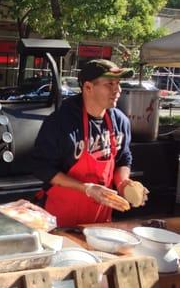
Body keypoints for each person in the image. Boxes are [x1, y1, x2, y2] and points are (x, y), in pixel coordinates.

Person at [32, 59, 148, 227]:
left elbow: (123, 158)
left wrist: (124, 184)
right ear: (88, 87)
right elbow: (42, 168)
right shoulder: (60, 122)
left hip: (99, 219)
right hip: (59, 219)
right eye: (109, 84)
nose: (118, 90)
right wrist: (86, 188)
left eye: (118, 84)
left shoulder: (120, 122)